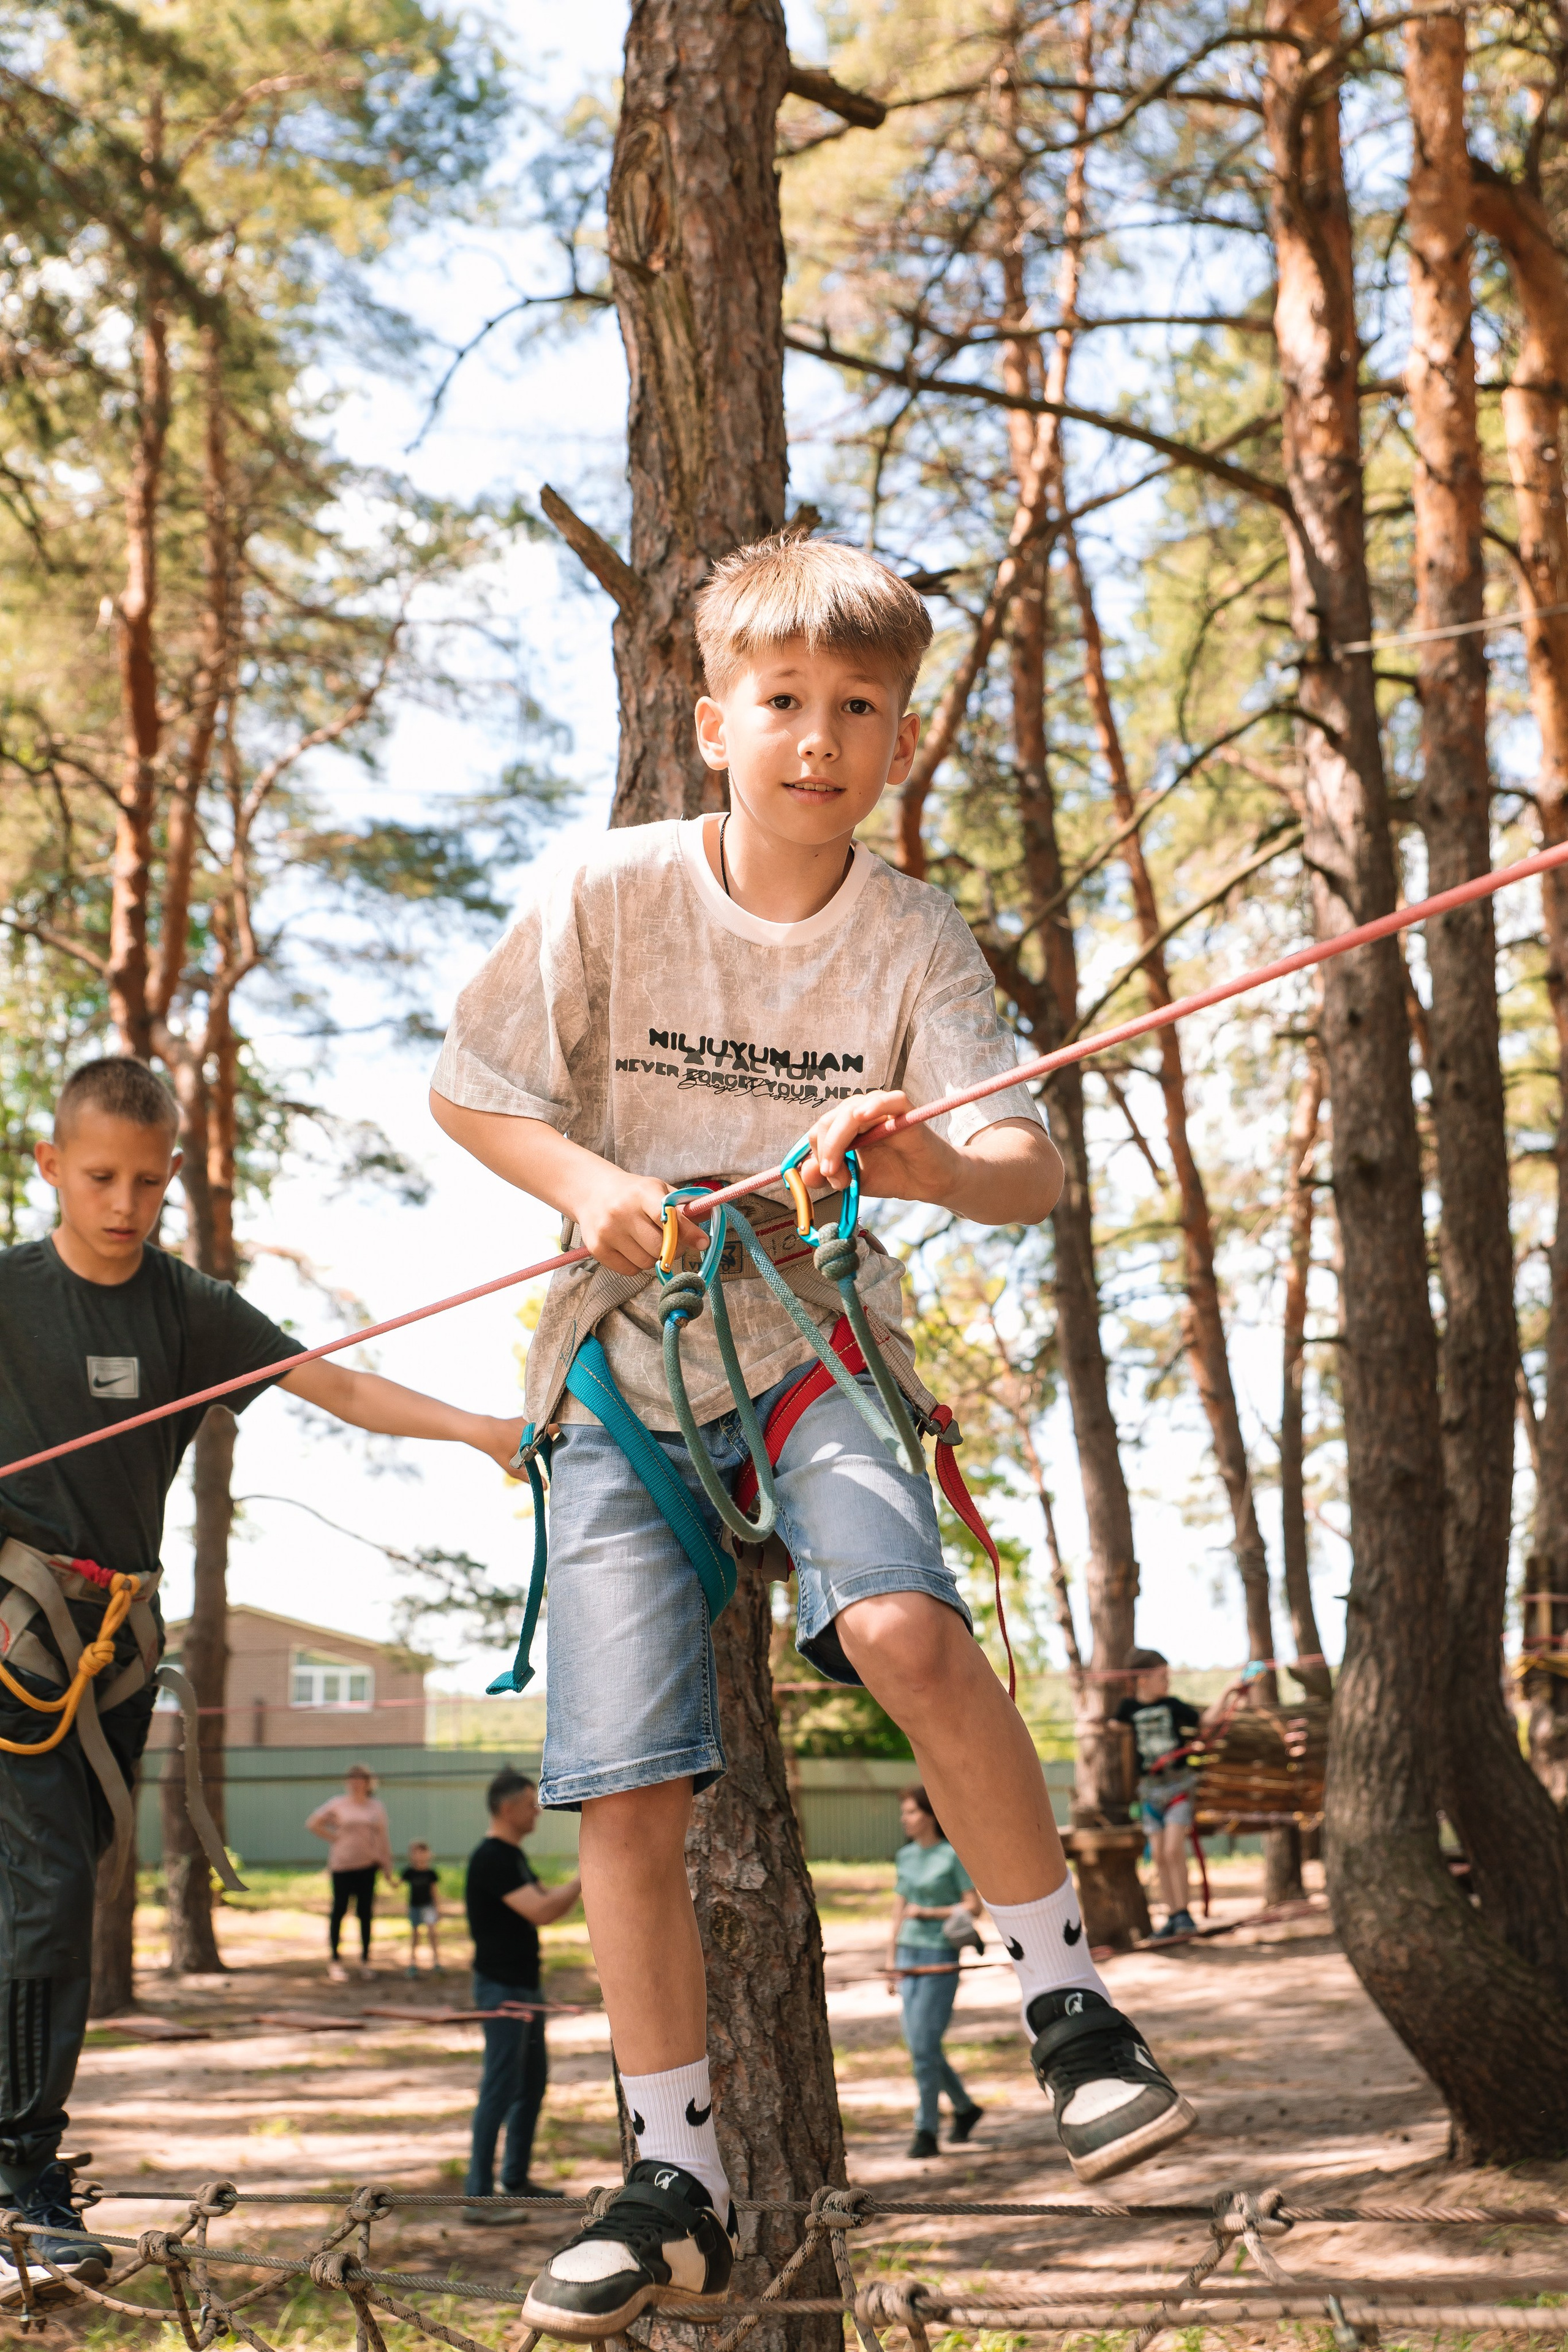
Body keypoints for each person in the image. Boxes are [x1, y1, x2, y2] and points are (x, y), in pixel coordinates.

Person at [430, 535, 1199, 2339]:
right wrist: (594, 1182)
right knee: (620, 1781)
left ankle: (1072, 2005)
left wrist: (932, 1160)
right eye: (782, 701)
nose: (818, 738)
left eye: (860, 708)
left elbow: (1026, 1161)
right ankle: (672, 2169)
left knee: (901, 1626)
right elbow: (474, 1090)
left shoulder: (911, 933)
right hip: (618, 1370)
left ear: (896, 741)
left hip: (815, 1342)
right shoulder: (605, 894)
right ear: (713, 720)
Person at [0, 1056, 525, 2301]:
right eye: (98, 1178)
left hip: (117, 1644)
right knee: (44, 1883)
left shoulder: (188, 1311)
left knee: (57, 1896)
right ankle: (15, 2178)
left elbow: (334, 1381)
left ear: (173, 1172)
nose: (123, 1202)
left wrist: (480, 1431)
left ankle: (23, 2165)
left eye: (145, 1179)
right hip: (13, 1624)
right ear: (49, 1169)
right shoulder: (8, 1296)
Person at [462, 1767, 581, 2220]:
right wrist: (587, 1875)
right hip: (503, 1991)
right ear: (507, 1808)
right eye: (531, 1804)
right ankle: (477, 2198)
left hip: (524, 1987)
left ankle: (514, 2180)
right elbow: (543, 1910)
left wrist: (574, 1885)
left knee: (530, 2086)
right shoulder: (491, 1858)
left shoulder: (512, 1857)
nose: (537, 1812)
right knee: (500, 2089)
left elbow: (545, 1901)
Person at [1115, 1649, 1248, 1939]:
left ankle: (1185, 1914)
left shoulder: (1173, 1706)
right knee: (1160, 1855)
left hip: (1178, 1787)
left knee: (1174, 1849)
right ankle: (1173, 1914)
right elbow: (1112, 1725)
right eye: (1162, 1677)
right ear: (1142, 1680)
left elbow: (1205, 1722)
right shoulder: (1127, 1709)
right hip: (1150, 1792)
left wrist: (1228, 1691)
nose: (1168, 1682)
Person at [886, 1785, 985, 2158]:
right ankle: (965, 2108)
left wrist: (928, 1913)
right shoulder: (905, 1856)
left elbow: (973, 1907)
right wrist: (891, 1957)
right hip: (909, 1955)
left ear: (930, 1815)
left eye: (911, 1812)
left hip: (940, 1954)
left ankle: (926, 2129)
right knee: (920, 2046)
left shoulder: (951, 1854)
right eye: (904, 1812)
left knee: (924, 2046)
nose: (905, 1819)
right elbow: (898, 1908)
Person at [307, 1766, 395, 1981]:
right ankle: (335, 1962)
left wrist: (386, 1865)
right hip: (342, 1866)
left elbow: (383, 1837)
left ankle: (366, 1961)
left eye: (360, 1779)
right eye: (352, 1779)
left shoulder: (376, 1807)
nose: (356, 1784)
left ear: (368, 1783)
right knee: (339, 1911)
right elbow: (313, 1824)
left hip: (368, 1866)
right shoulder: (338, 1804)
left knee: (365, 1914)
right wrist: (335, 1838)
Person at [401, 1839, 443, 1975]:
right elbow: (397, 1885)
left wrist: (438, 1908)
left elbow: (434, 1892)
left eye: (422, 1853)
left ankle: (437, 1962)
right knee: (415, 1935)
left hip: (428, 1907)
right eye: (416, 1853)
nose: (419, 1856)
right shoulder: (409, 1872)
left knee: (432, 1933)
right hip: (415, 1907)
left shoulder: (431, 1873)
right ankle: (413, 1963)